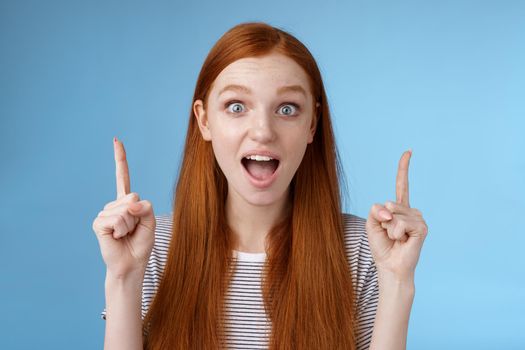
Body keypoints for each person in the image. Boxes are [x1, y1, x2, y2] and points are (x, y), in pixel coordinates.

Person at [92, 22, 428, 350]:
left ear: (312, 124)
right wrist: (123, 279)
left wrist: (398, 282)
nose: (263, 130)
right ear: (204, 120)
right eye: (236, 107)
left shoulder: (362, 249)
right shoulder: (153, 248)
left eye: (287, 109)